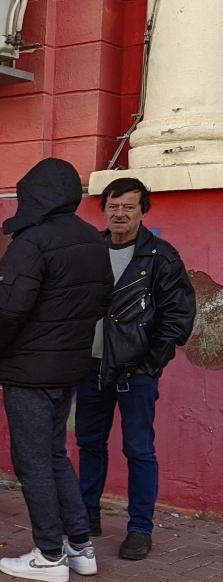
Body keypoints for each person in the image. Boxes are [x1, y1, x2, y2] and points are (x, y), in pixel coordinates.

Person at [0, 158, 114, 582]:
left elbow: (6, 310)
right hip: (70, 365)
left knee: (34, 460)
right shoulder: (93, 239)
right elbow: (101, 302)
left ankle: (50, 554)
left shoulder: (32, 242)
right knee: (55, 454)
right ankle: (79, 546)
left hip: (30, 370)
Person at [76, 178, 196, 561]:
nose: (120, 214)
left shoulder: (160, 257)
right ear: (104, 210)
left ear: (144, 210)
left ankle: (140, 529)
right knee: (89, 445)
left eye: (129, 206)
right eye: (113, 206)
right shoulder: (90, 249)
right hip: (90, 368)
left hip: (136, 374)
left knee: (139, 450)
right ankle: (87, 516)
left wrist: (150, 363)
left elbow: (178, 315)